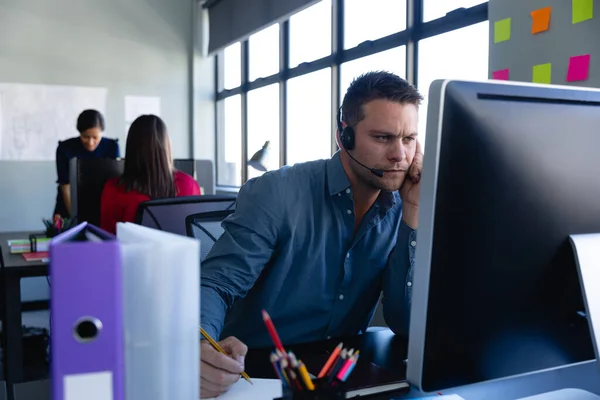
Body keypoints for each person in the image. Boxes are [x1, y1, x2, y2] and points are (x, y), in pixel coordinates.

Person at [199, 71, 424, 398]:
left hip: (341, 375)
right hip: (256, 374)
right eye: (382, 138)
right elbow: (217, 284)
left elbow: (403, 324)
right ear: (343, 137)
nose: (400, 156)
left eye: (408, 139)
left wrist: (413, 214)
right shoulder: (276, 192)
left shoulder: (402, 207)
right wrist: (199, 348)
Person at [100, 114, 201, 234]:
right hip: (181, 253)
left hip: (133, 253)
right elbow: (197, 233)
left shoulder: (114, 188)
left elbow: (108, 238)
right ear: (166, 145)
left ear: (131, 148)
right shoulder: (190, 184)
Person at [54, 109, 119, 221]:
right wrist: (74, 218)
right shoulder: (65, 148)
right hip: (69, 203)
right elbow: (65, 186)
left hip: (102, 203)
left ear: (102, 133)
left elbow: (115, 184)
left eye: (95, 137)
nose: (90, 142)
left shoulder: (112, 147)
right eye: (85, 137)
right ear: (79, 132)